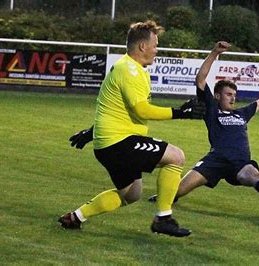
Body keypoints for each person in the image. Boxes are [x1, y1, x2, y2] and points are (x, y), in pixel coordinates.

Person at [58, 20, 205, 237]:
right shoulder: (129, 70)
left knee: (131, 194)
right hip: (119, 142)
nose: (157, 49)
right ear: (143, 46)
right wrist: (180, 112)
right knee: (176, 157)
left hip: (109, 143)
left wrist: (91, 133)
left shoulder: (132, 69)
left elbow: (112, 107)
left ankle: (76, 217)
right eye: (155, 44)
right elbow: (141, 110)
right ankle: (163, 218)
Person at [148, 41, 259, 204]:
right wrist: (215, 52)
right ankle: (167, 198)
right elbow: (200, 79)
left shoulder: (242, 113)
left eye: (234, 95)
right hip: (215, 161)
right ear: (217, 96)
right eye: (228, 94)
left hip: (240, 163)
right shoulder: (212, 109)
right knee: (175, 192)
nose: (233, 98)